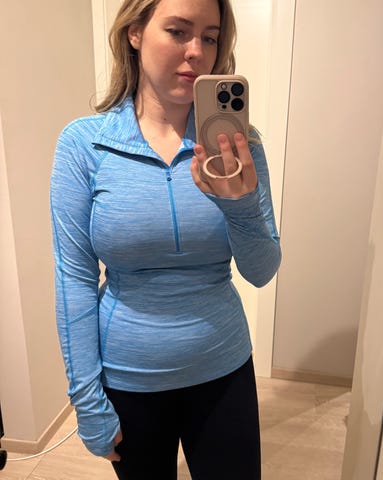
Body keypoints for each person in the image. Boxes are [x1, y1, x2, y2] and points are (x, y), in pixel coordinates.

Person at [50, 0, 281, 478]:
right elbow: (74, 278)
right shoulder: (84, 144)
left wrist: (239, 204)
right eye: (178, 31)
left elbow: (261, 271)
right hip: (129, 380)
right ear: (135, 33)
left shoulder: (238, 145)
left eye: (210, 37)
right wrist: (86, 398)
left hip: (224, 370)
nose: (197, 51)